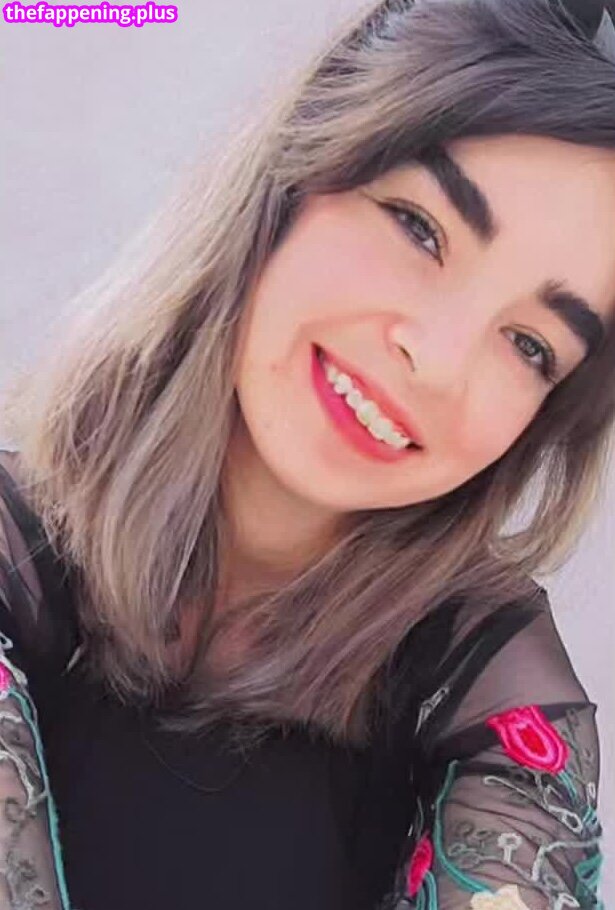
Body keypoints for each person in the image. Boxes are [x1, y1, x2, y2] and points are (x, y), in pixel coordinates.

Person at [0, 0, 614, 907]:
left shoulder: (485, 684)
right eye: (419, 227)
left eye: (528, 345)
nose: (437, 361)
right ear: (295, 175)